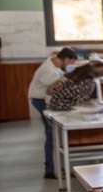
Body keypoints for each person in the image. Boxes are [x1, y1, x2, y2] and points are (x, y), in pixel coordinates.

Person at [28, 47, 78, 178]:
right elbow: (54, 89)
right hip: (40, 100)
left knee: (53, 133)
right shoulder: (49, 71)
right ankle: (50, 169)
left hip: (43, 100)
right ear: (66, 59)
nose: (71, 65)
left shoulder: (53, 63)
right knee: (51, 133)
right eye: (71, 62)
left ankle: (55, 167)